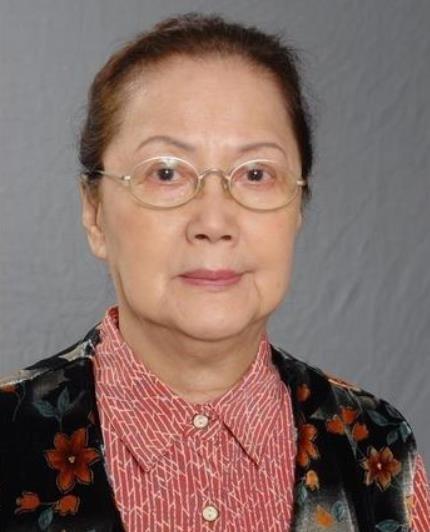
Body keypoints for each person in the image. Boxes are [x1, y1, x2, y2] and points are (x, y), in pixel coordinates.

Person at [0, 12, 429, 532]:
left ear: (298, 206)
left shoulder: (377, 449)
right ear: (95, 213)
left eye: (256, 173)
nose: (214, 222)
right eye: (166, 173)